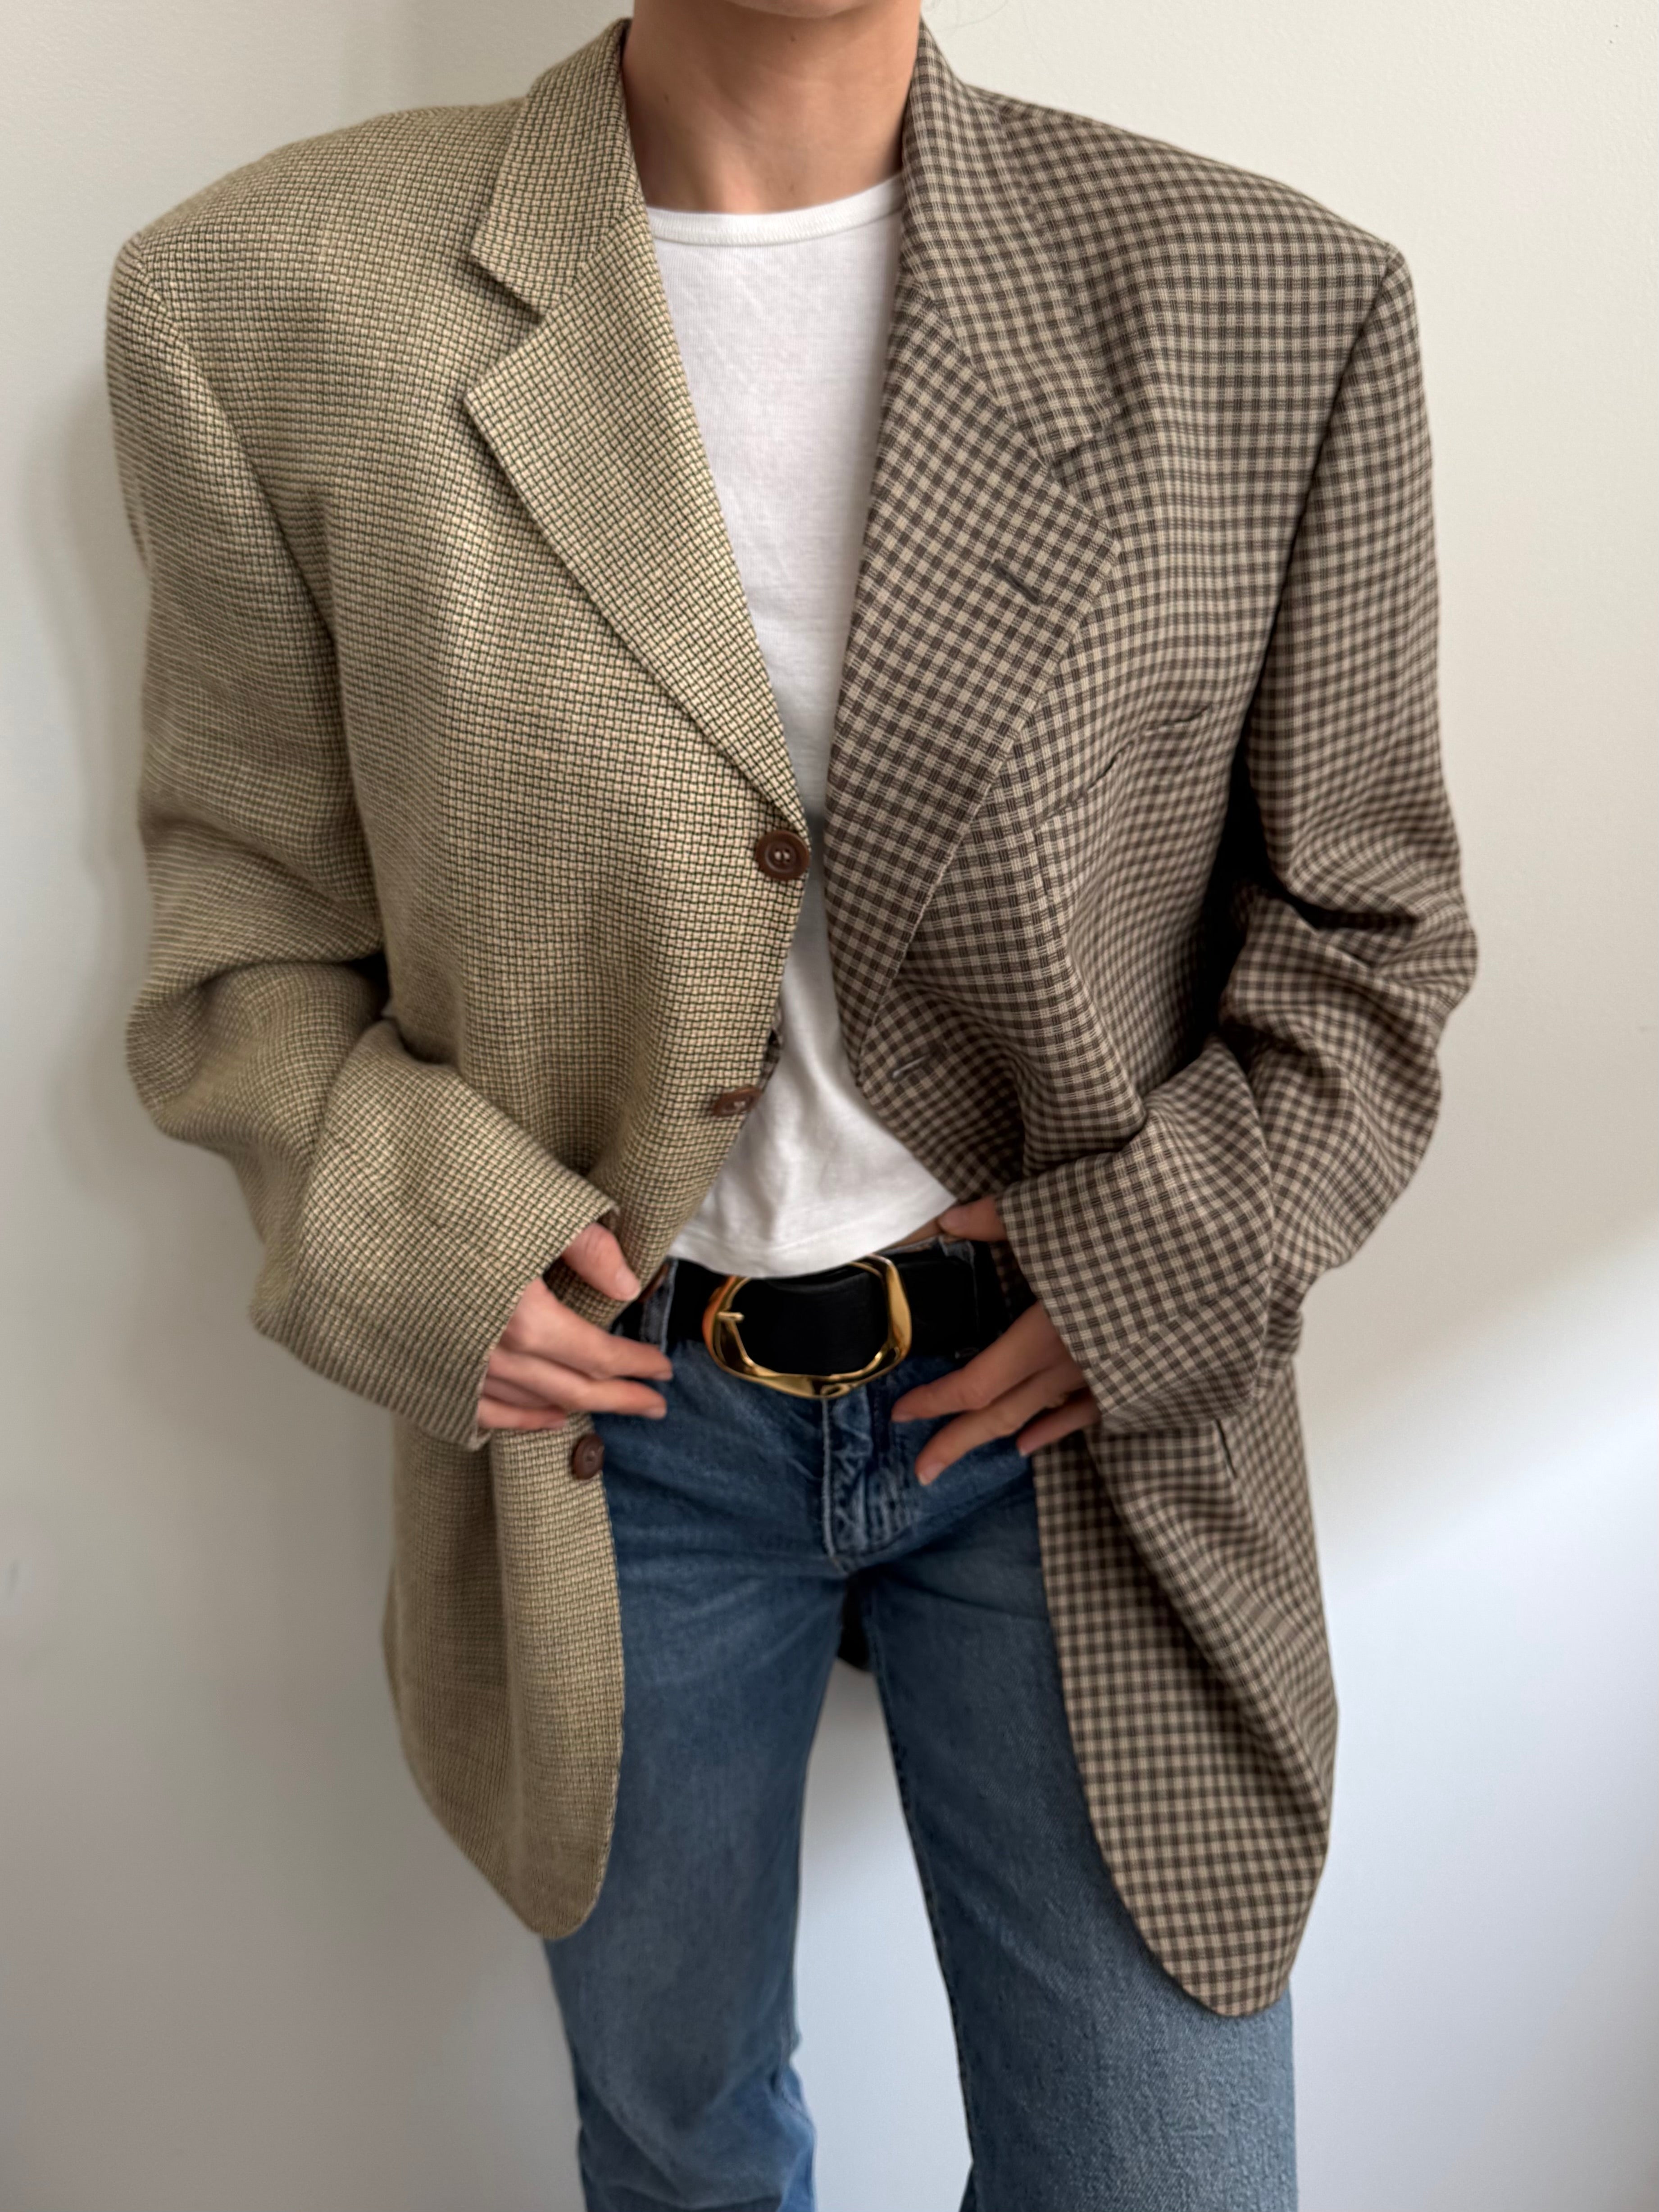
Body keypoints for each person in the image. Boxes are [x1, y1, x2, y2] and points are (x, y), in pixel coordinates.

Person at [105, 1, 1475, 2205]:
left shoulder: (1270, 303)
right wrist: (420, 1244)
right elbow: (243, 941)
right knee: (682, 2152)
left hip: (1079, 1421)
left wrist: (1150, 1265)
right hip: (614, 1431)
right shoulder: (269, 302)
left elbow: (1368, 933)